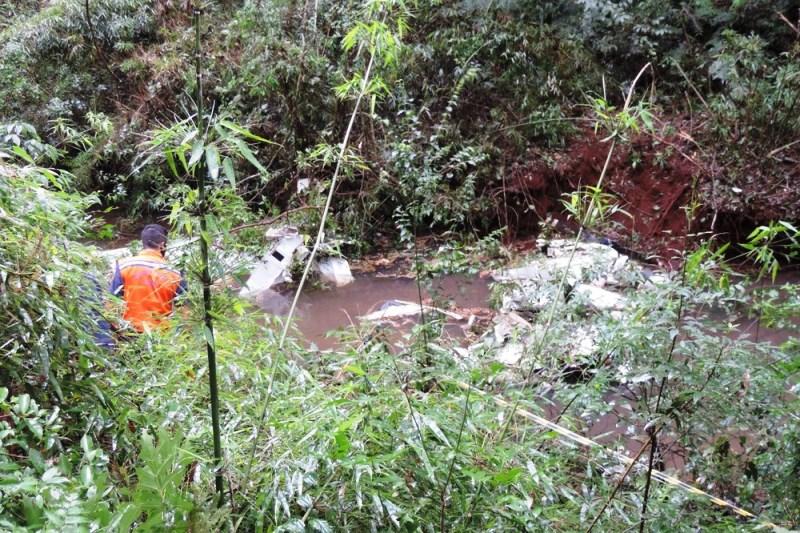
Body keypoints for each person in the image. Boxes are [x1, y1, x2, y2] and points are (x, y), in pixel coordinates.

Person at [110, 224, 186, 332]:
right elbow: (184, 310)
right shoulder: (175, 272)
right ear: (162, 245)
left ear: (143, 243)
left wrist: (116, 329)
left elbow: (111, 301)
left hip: (130, 333)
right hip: (162, 336)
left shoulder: (124, 266)